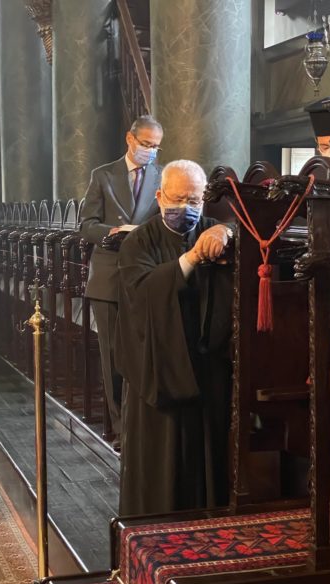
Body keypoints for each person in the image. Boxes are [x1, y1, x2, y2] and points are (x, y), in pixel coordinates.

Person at [116, 159, 234, 516]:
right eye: (178, 199)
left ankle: (207, 523)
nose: (186, 208)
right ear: (160, 196)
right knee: (160, 459)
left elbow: (246, 231)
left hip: (205, 364)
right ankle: (153, 525)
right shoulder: (139, 241)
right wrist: (191, 259)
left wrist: (227, 231)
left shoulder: (210, 228)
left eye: (194, 200)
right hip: (158, 366)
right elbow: (142, 293)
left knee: (208, 455)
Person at [80, 115, 164, 451]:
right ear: (130, 139)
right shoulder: (103, 175)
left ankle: (144, 425)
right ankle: (120, 430)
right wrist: (110, 232)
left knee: (144, 354)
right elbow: (86, 224)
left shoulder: (163, 176)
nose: (151, 152)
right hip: (109, 275)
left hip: (145, 274)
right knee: (113, 357)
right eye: (146, 144)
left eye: (156, 146)